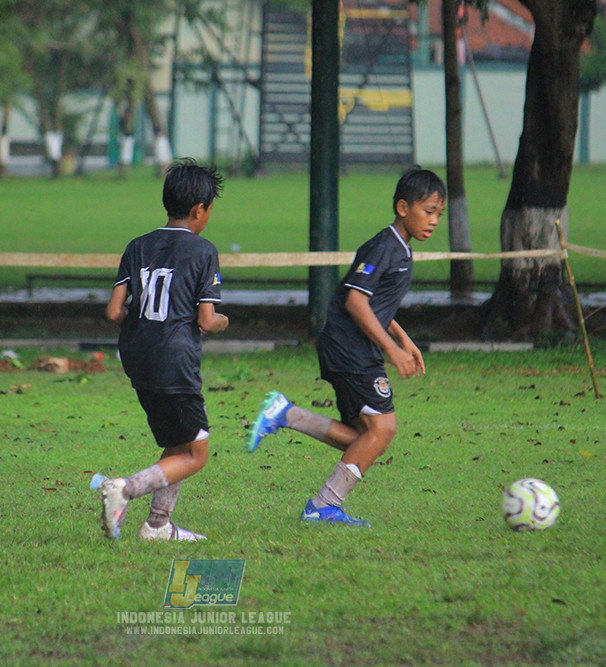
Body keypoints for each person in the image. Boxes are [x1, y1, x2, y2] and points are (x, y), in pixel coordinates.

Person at [246, 166, 446, 526]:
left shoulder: (399, 248)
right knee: (382, 431)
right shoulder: (386, 246)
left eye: (439, 214)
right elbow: (355, 300)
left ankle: (286, 414)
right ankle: (324, 505)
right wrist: (392, 350)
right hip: (351, 348)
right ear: (403, 207)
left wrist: (404, 339)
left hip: (349, 346)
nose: (433, 220)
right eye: (428, 211)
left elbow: (374, 302)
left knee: (362, 437)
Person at [95, 158, 229, 542]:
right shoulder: (204, 251)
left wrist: (143, 324)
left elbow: (114, 311)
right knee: (196, 455)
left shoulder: (137, 246)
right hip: (176, 360)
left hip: (138, 358)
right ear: (199, 210)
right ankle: (126, 489)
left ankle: (157, 525)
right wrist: (224, 322)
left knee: (177, 440)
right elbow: (206, 320)